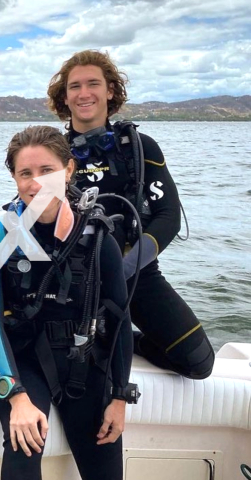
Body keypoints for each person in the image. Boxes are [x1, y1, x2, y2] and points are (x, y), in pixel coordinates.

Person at [0, 126, 135, 480]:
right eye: (25, 174)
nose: (36, 184)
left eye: (47, 171)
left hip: (80, 358)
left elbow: (120, 319)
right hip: (23, 360)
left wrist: (120, 396)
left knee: (105, 463)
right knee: (23, 451)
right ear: (14, 178)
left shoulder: (97, 236)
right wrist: (15, 394)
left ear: (69, 169)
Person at [47, 50, 214, 379]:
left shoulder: (140, 147)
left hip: (135, 273)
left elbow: (168, 216)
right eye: (75, 86)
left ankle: (132, 341)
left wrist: (126, 267)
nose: (84, 93)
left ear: (110, 90)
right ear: (64, 96)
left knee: (198, 361)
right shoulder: (53, 152)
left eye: (93, 83)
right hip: (77, 282)